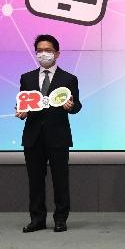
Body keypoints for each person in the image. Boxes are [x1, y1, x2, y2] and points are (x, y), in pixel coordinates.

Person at [16, 34, 81, 233]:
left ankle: (60, 218)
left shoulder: (68, 78)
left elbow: (77, 105)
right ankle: (37, 219)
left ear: (57, 53)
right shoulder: (26, 78)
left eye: (48, 50)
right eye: (40, 51)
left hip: (58, 136)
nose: (44, 54)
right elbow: (23, 103)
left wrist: (70, 107)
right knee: (35, 180)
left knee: (60, 180)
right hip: (33, 136)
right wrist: (21, 111)